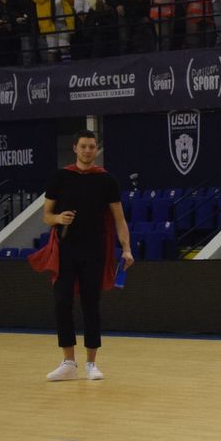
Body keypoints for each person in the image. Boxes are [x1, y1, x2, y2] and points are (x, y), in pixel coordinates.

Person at [38, 130, 133, 384]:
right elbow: (46, 215)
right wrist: (58, 218)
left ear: (96, 149)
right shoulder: (60, 177)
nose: (88, 151)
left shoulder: (106, 180)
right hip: (65, 250)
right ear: (75, 148)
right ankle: (68, 362)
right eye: (84, 146)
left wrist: (126, 248)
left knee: (91, 305)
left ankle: (92, 363)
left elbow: (119, 219)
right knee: (62, 302)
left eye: (92, 147)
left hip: (94, 251)